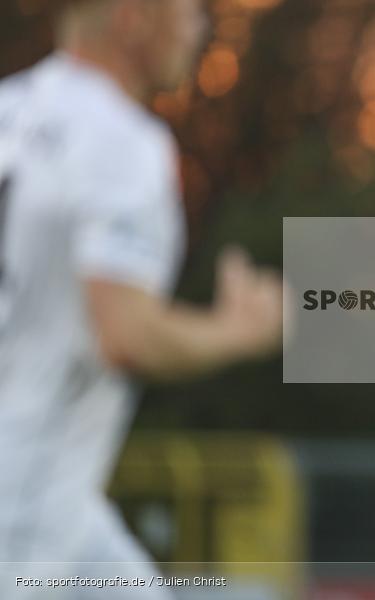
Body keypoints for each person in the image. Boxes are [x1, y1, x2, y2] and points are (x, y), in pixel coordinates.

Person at [0, 0, 285, 596]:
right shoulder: (122, 142)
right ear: (132, 17)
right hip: (24, 506)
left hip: (62, 508)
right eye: (187, 10)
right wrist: (239, 330)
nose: (199, 27)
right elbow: (126, 335)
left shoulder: (10, 107)